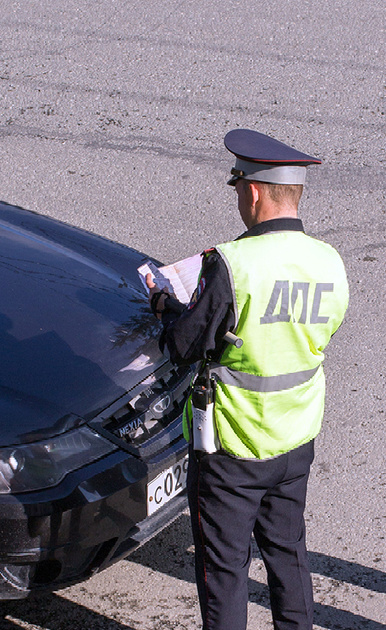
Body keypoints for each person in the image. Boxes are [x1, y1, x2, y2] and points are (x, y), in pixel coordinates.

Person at [146, 129, 349, 630]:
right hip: (296, 438)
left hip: (233, 448)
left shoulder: (232, 264)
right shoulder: (329, 260)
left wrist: (164, 304)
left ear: (253, 191)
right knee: (288, 556)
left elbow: (183, 345)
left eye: (237, 187)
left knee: (224, 570)